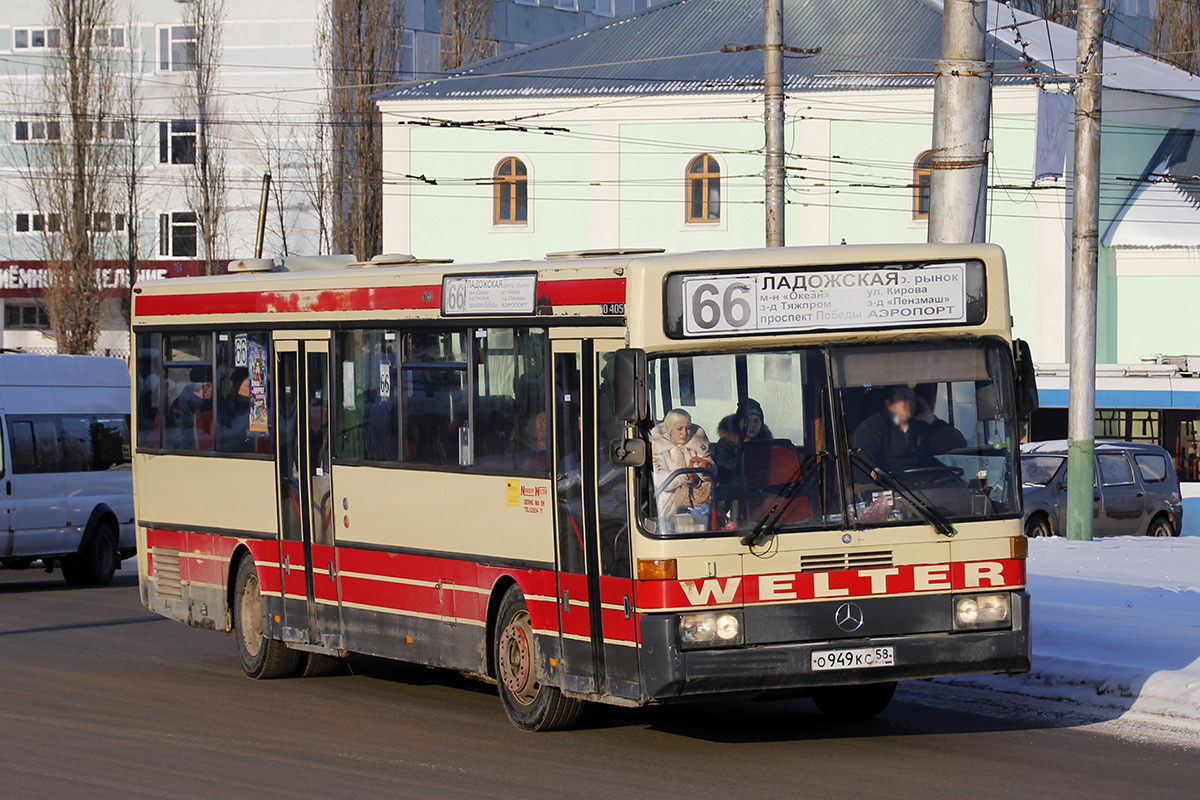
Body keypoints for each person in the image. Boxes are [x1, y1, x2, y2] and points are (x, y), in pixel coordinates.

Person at [650, 409, 713, 523]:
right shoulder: (658, 448)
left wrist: (706, 468)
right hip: (670, 511)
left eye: (688, 428)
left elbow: (710, 466)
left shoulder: (699, 444)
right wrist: (684, 476)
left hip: (700, 507)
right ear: (670, 429)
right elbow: (659, 479)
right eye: (679, 429)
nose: (685, 433)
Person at [851, 385, 930, 475]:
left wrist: (931, 419)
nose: (909, 403)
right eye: (904, 398)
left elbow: (947, 446)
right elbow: (862, 466)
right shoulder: (871, 428)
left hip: (925, 484)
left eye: (912, 398)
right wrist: (875, 472)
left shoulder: (920, 425)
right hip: (887, 486)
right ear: (889, 403)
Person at [712, 398, 774, 483]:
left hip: (763, 486)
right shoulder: (726, 442)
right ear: (739, 423)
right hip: (735, 488)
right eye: (747, 421)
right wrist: (749, 463)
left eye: (756, 421)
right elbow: (722, 464)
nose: (752, 425)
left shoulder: (766, 443)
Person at [166, 366, 212, 449]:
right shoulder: (179, 408)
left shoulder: (210, 402)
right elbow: (180, 441)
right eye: (213, 386)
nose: (216, 389)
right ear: (204, 388)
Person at [218, 367, 252, 452]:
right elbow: (227, 434)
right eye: (249, 386)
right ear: (237, 387)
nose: (253, 390)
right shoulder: (230, 406)